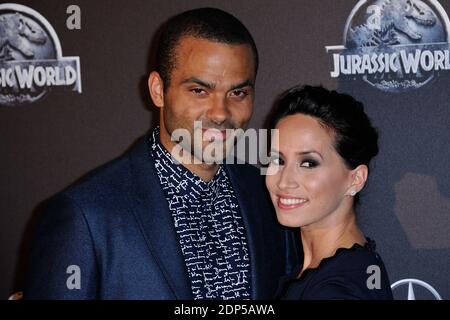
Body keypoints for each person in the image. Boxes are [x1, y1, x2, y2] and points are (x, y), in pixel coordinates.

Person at [23, 8, 300, 299]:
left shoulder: (270, 194)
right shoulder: (84, 216)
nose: (220, 113)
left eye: (238, 93)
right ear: (158, 90)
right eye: (199, 91)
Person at [265, 85, 393, 299]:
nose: (284, 181)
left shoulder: (338, 289)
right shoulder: (353, 266)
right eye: (277, 160)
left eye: (308, 163)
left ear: (355, 179)